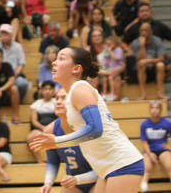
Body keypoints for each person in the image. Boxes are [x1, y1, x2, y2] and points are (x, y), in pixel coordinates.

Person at [30, 47, 145, 193]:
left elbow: (96, 129)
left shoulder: (80, 88)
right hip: (107, 167)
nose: (54, 62)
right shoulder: (74, 92)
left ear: (76, 69)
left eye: (61, 58)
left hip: (122, 163)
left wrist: (57, 142)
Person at [41, 88, 98, 193]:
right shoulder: (51, 129)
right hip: (73, 184)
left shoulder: (91, 127)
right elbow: (53, 161)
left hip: (98, 181)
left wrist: (78, 179)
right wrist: (48, 183)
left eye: (64, 98)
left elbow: (104, 168)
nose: (58, 102)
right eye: (57, 98)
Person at [0, 24, 29, 101]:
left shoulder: (18, 47)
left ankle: (18, 100)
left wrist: (14, 76)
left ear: (11, 35)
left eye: (6, 34)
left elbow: (22, 63)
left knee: (23, 83)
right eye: (2, 34)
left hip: (14, 75)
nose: (4, 36)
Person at [140, 100, 171, 193]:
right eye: (152, 108)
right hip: (150, 150)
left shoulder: (167, 124)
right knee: (147, 167)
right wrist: (150, 154)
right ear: (150, 110)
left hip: (163, 150)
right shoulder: (145, 124)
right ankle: (144, 186)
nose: (154, 110)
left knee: (169, 165)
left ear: (161, 110)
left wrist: (169, 146)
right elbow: (144, 142)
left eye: (157, 108)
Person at [132, 22, 166, 100]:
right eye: (142, 30)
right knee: (141, 65)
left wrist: (148, 61)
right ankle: (143, 94)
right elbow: (140, 60)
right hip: (142, 68)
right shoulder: (136, 42)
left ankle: (160, 93)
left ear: (151, 31)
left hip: (154, 66)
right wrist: (142, 46)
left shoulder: (157, 41)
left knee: (161, 65)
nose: (144, 32)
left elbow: (162, 58)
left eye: (146, 30)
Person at [26, 81, 57, 163]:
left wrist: (50, 128)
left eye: (50, 89)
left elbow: (61, 118)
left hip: (55, 128)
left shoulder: (57, 102)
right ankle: (40, 161)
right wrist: (44, 128)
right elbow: (34, 121)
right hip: (40, 129)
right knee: (30, 137)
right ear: (42, 91)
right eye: (45, 89)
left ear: (54, 91)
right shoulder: (37, 103)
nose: (47, 91)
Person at [91, 31, 125, 101]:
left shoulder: (110, 48)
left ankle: (115, 100)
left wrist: (119, 69)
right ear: (91, 39)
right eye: (94, 36)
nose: (97, 37)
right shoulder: (89, 50)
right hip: (97, 73)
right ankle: (94, 100)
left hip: (109, 71)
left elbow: (121, 63)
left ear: (103, 37)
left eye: (99, 35)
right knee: (93, 78)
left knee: (116, 77)